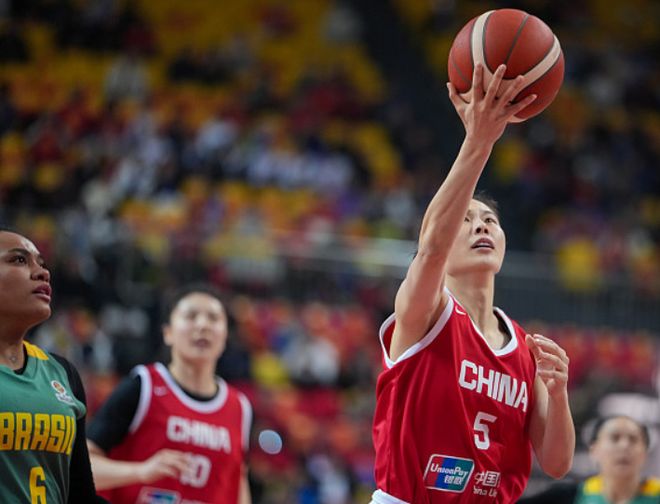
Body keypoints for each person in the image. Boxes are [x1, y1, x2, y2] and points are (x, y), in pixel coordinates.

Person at [370, 63, 576, 504]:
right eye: (465, 220)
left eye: (489, 220)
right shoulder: (427, 312)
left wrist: (558, 394)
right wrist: (479, 140)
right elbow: (431, 247)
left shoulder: (524, 350)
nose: (480, 225)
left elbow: (557, 463)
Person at [87, 284, 253, 504]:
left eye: (213, 318)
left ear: (225, 337)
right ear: (168, 333)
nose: (203, 325)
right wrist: (140, 471)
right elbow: (79, 467)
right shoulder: (143, 386)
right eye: (191, 316)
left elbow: (238, 483)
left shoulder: (239, 407)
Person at [0, 227, 105, 503]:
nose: (42, 273)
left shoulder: (63, 373)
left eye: (42, 264)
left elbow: (80, 494)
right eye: (19, 260)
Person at [518, 415, 660, 503]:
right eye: (614, 438)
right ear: (594, 450)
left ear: (645, 453)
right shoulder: (569, 495)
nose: (624, 446)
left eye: (633, 440)